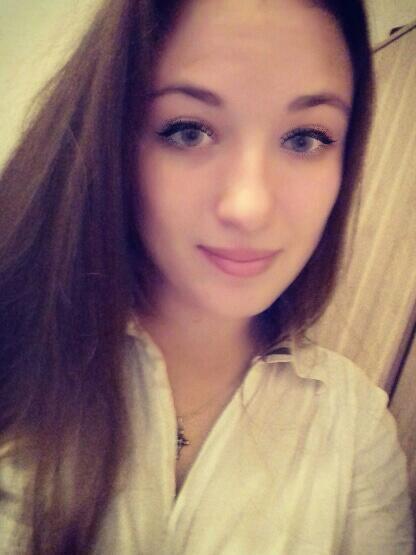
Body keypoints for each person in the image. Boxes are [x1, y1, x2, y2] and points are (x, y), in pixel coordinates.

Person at [0, 0, 413, 553]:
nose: (249, 207)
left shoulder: (355, 423)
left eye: (305, 139)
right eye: (189, 130)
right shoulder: (17, 353)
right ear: (111, 139)